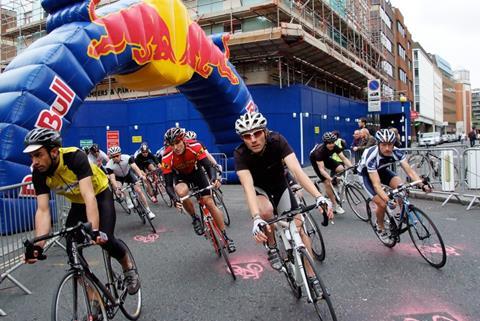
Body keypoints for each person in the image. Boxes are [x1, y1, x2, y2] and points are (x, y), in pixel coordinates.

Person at [23, 128, 140, 304]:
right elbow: (43, 210)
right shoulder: (38, 173)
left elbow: (89, 195)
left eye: (38, 155)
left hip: (99, 194)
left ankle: (128, 267)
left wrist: (93, 230)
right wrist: (39, 243)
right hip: (78, 203)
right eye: (31, 157)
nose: (35, 161)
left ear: (54, 151)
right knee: (71, 250)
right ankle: (95, 301)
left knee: (105, 239)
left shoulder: (74, 157)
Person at [234, 112, 332, 292]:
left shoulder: (277, 141)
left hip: (280, 185)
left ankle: (312, 278)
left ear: (265, 132)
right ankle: (272, 246)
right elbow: (248, 187)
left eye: (257, 133)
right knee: (266, 212)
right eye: (247, 136)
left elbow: (296, 170)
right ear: (243, 138)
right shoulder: (240, 154)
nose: (253, 139)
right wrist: (256, 218)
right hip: (259, 190)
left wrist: (319, 197)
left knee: (299, 229)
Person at [161, 127, 236, 252]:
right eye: (172, 144)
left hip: (197, 173)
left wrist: (213, 179)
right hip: (181, 177)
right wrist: (175, 199)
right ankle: (195, 218)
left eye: (177, 143)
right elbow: (168, 185)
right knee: (181, 193)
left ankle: (226, 237)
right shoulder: (167, 157)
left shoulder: (195, 146)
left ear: (183, 140)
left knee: (209, 202)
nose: (175, 147)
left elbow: (208, 165)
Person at [357, 129, 431, 242]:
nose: (387, 148)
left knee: (402, 188)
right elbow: (376, 185)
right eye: (384, 145)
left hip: (382, 171)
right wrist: (387, 200)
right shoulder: (371, 155)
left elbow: (410, 172)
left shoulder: (397, 152)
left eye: (390, 144)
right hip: (367, 175)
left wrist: (422, 185)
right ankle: (380, 227)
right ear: (378, 144)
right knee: (382, 204)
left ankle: (402, 214)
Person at [106, 146, 156, 220]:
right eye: (113, 157)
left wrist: (140, 175)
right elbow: (112, 178)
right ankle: (127, 199)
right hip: (119, 178)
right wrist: (116, 188)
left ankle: (148, 211)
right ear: (111, 157)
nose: (116, 158)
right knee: (120, 187)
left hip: (128, 174)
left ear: (120, 154)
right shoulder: (109, 165)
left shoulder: (127, 157)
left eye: (117, 155)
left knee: (139, 190)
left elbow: (135, 167)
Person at [309, 132, 353, 214]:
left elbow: (343, 158)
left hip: (326, 158)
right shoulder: (319, 151)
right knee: (327, 182)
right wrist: (330, 179)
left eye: (333, 142)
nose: (331, 144)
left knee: (341, 168)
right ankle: (335, 205)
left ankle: (335, 184)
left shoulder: (335, 147)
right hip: (316, 160)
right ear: (325, 143)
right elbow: (321, 170)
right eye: (329, 143)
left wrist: (352, 167)